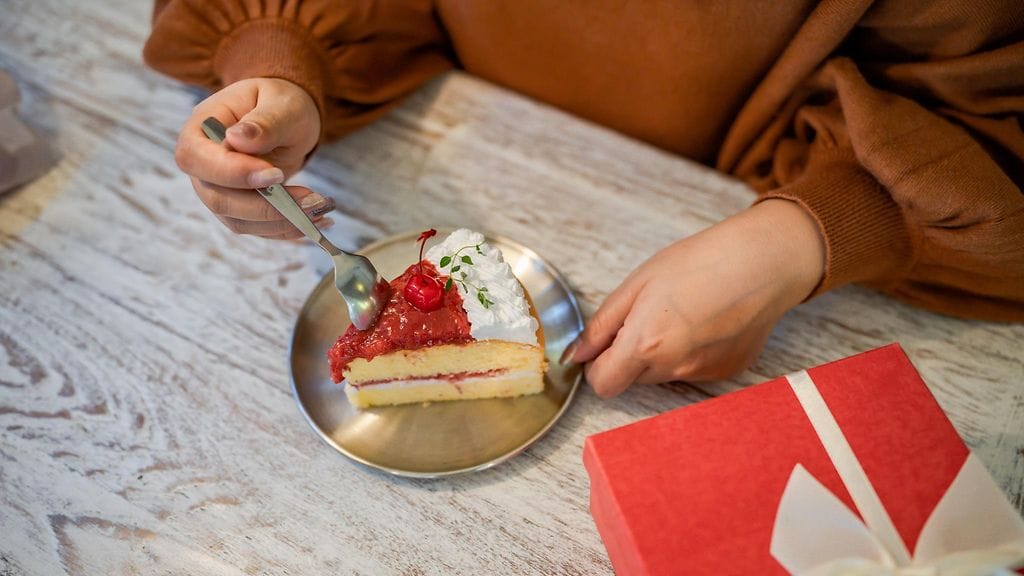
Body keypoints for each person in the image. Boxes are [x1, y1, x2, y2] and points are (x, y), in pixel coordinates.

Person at [144, 0, 1024, 398]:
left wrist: (804, 238)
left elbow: (985, 118)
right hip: (462, 131)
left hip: (757, 186)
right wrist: (283, 69)